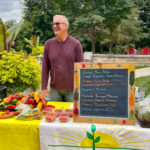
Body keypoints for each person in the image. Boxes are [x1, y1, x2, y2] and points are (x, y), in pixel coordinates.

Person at [41, 15, 84, 102]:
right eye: (53, 24)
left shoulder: (76, 44)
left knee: (71, 115)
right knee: (54, 114)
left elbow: (80, 68)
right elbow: (45, 68)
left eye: (57, 23)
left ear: (66, 26)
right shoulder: (48, 44)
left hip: (72, 91)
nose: (54, 26)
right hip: (54, 91)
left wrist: (79, 87)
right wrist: (44, 88)